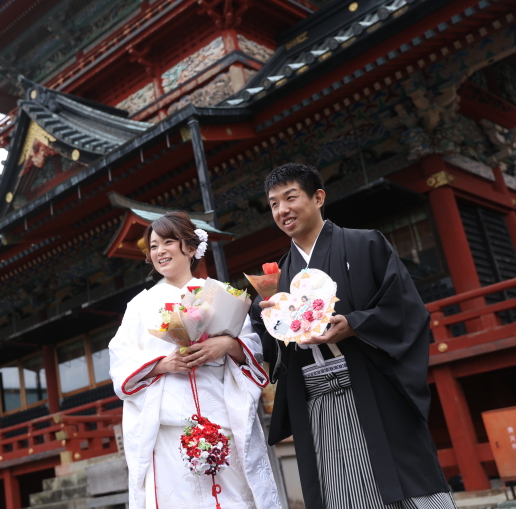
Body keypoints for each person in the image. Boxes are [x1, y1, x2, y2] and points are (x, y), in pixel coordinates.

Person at [250, 163, 454, 509]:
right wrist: (263, 317)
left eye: (290, 197)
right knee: (341, 490)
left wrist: (356, 323)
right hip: (316, 400)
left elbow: (405, 308)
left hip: (373, 386)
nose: (282, 210)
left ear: (318, 197)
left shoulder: (365, 244)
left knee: (408, 484)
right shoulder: (277, 279)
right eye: (273, 204)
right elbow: (269, 345)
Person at [109, 211, 281, 509]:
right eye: (153, 246)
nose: (159, 251)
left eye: (167, 242)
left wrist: (227, 344)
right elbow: (121, 362)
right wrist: (164, 364)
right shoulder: (140, 306)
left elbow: (252, 349)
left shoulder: (221, 293)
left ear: (190, 247)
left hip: (221, 421)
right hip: (169, 431)